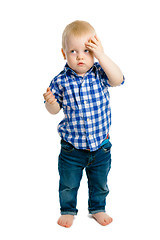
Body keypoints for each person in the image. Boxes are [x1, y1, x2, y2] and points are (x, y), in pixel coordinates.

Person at [43, 20, 125, 228]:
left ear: (95, 53)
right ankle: (68, 209)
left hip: (101, 146)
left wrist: (102, 56)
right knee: (68, 184)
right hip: (72, 149)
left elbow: (118, 79)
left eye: (87, 51)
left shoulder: (100, 72)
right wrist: (51, 103)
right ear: (64, 54)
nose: (80, 56)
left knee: (100, 183)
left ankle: (98, 208)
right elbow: (54, 110)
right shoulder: (60, 81)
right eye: (73, 51)